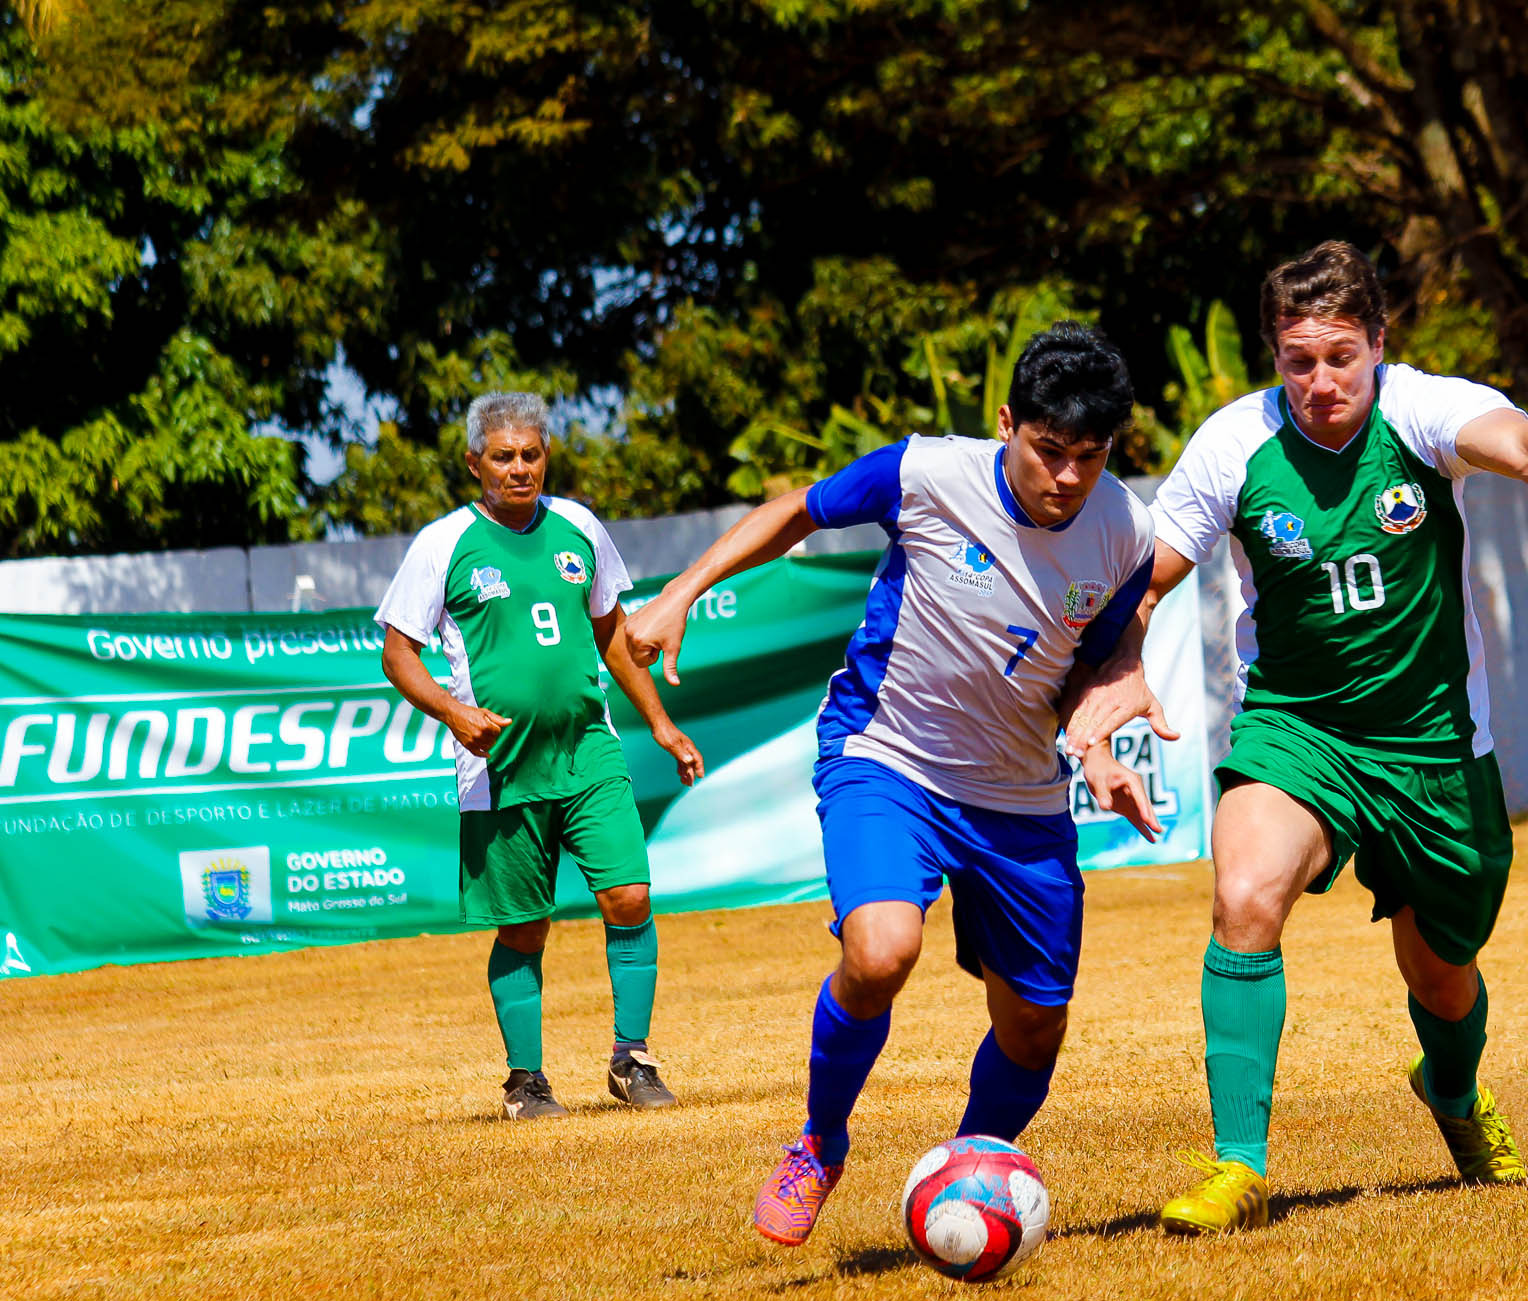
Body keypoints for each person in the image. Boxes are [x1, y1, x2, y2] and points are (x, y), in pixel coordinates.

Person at [1065, 242, 1528, 1233]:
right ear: (1274, 358)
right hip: (1301, 728)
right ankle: (1237, 1164)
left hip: (1434, 751)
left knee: (1442, 973)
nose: (1321, 381)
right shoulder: (1231, 446)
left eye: (1341, 355)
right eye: (1298, 360)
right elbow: (1150, 580)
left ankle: (1455, 1094)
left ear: (1379, 343)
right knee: (1245, 893)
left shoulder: (1421, 409)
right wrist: (1118, 669)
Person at [623, 323, 1162, 1247]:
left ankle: (966, 1177)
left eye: (1088, 456)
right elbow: (800, 509)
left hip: (1020, 796)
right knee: (878, 952)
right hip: (888, 757)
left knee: (1034, 1029)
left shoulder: (1125, 533)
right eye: (1046, 451)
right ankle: (818, 1144)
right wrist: (680, 593)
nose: (1066, 477)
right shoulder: (927, 473)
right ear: (1007, 425)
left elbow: (1096, 659)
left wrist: (1098, 739)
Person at [376, 392, 704, 1121]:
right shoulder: (442, 544)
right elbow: (399, 654)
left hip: (589, 748)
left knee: (629, 895)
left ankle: (633, 1059)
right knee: (525, 925)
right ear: (473, 463)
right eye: (502, 456)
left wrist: (660, 724)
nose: (519, 468)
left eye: (530, 453)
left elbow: (613, 633)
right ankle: (526, 1081)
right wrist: (454, 712)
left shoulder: (579, 527)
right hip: (502, 764)